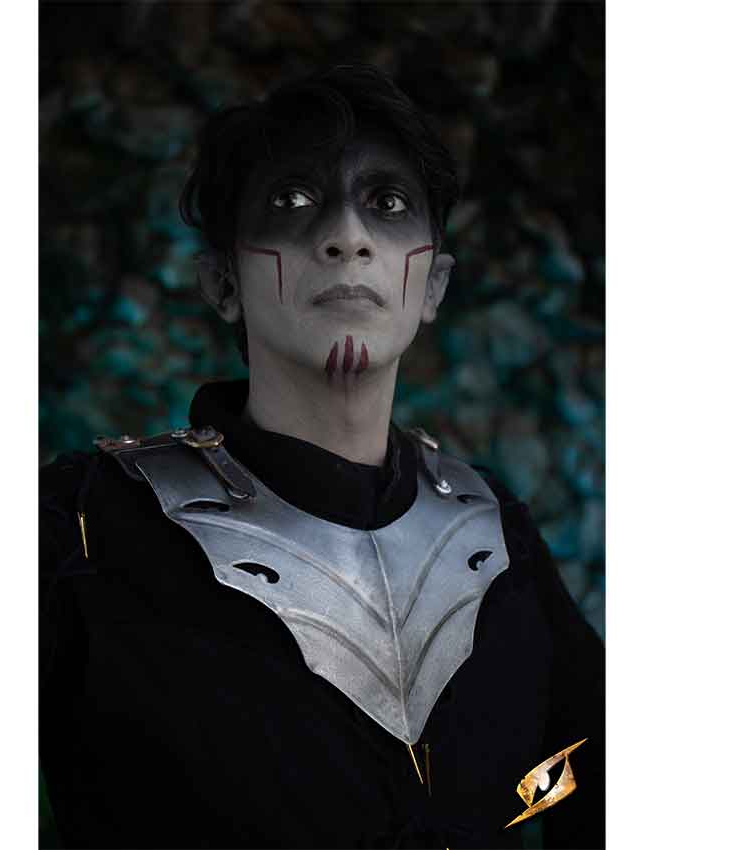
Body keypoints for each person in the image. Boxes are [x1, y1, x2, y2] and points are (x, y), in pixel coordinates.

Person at [40, 64, 604, 849]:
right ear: (223, 283)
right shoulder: (83, 524)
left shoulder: (496, 534)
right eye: (293, 201)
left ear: (432, 286)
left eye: (388, 203)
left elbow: (593, 780)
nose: (348, 236)